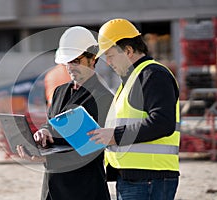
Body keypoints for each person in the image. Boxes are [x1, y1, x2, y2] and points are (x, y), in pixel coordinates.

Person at [17, 26, 113, 200]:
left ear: (93, 59)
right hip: (53, 187)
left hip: (85, 189)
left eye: (76, 61)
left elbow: (91, 151)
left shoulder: (104, 98)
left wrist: (46, 159)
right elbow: (53, 123)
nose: (70, 67)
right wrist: (44, 131)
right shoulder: (59, 91)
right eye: (67, 62)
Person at [88, 18, 180, 200]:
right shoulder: (132, 80)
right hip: (134, 178)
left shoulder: (153, 75)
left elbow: (163, 122)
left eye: (110, 55)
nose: (107, 62)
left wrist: (115, 135)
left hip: (149, 178)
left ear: (128, 51)